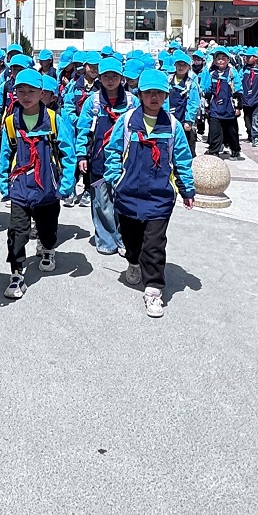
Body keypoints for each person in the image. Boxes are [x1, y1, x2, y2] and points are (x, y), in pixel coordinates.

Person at [104, 70, 195, 318]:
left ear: (166, 96)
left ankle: (154, 289)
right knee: (131, 240)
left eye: (159, 93)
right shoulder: (127, 121)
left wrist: (187, 189)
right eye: (149, 92)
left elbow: (182, 160)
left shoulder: (173, 126)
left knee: (154, 245)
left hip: (159, 197)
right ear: (140, 94)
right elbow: (112, 151)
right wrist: (115, 178)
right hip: (128, 194)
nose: (154, 97)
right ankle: (133, 262)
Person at [0, 69, 76, 298]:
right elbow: (5, 154)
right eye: (21, 91)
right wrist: (4, 183)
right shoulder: (11, 122)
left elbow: (67, 154)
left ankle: (48, 248)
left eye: (31, 91)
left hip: (47, 188)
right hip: (20, 187)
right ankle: (16, 272)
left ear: (42, 93)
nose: (26, 96)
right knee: (17, 232)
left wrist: (67, 184)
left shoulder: (53, 120)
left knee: (47, 228)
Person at [76, 56, 138, 255]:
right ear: (99, 78)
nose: (110, 80)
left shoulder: (132, 102)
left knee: (125, 201)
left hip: (126, 161)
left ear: (122, 78)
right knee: (101, 202)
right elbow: (83, 130)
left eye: (114, 76)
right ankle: (106, 241)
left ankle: (124, 239)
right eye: (106, 76)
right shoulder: (93, 102)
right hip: (99, 160)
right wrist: (81, 155)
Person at [62, 50, 101, 206]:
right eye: (91, 66)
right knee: (73, 159)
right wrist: (77, 120)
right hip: (75, 129)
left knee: (90, 160)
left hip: (93, 130)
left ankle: (87, 190)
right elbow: (68, 105)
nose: (94, 69)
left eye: (97, 66)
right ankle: (70, 190)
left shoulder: (101, 86)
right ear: (84, 67)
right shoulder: (74, 85)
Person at [201, 47, 244, 161]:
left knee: (231, 131)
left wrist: (238, 107)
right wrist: (207, 106)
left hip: (229, 106)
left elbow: (238, 90)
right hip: (215, 106)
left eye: (223, 58)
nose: (220, 61)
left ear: (228, 60)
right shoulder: (212, 74)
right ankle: (214, 150)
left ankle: (235, 149)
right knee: (214, 130)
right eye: (218, 58)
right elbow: (208, 90)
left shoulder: (232, 73)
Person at [167, 51, 200, 156]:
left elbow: (193, 103)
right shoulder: (168, 80)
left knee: (185, 147)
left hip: (183, 118)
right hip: (169, 118)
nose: (181, 67)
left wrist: (189, 121)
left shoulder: (190, 83)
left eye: (184, 65)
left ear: (189, 67)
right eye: (179, 64)